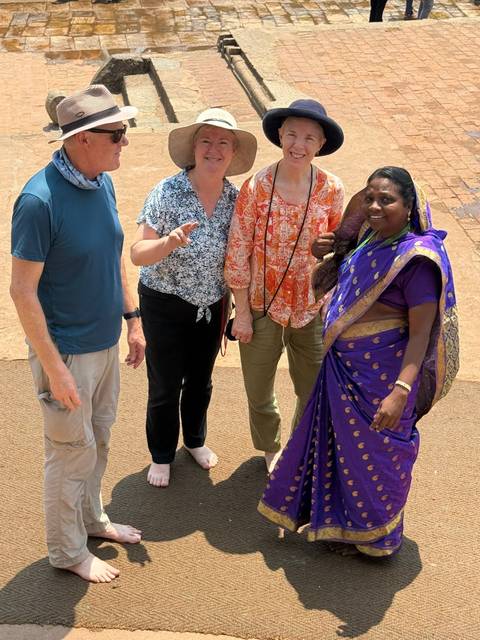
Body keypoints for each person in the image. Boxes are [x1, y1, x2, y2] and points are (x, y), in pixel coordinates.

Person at [258, 166, 459, 557]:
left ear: (409, 205)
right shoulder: (370, 238)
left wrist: (400, 391)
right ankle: (338, 526)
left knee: (376, 459)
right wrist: (327, 248)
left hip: (381, 380)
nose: (374, 206)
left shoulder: (416, 261)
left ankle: (377, 538)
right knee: (339, 450)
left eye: (387, 200)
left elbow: (421, 335)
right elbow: (343, 257)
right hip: (342, 369)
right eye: (370, 197)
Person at [10, 85, 146, 583]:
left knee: (99, 440)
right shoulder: (37, 202)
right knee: (69, 454)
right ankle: (66, 552)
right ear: (82, 139)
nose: (124, 143)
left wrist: (132, 320)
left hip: (106, 341)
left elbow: (113, 254)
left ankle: (92, 521)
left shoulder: (101, 181)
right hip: (65, 353)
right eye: (117, 134)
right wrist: (54, 368)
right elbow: (22, 293)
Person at [131, 108, 257, 488]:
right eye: (206, 140)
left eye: (223, 143)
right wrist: (168, 242)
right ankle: (161, 453)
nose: (213, 149)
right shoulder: (168, 192)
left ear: (233, 153)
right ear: (193, 147)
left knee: (200, 380)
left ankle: (195, 441)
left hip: (212, 305)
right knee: (166, 383)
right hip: (164, 301)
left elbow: (242, 258)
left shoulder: (237, 199)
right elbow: (138, 253)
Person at [224, 98, 345, 473]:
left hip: (311, 308)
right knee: (259, 391)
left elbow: (343, 253)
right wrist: (241, 313)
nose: (299, 144)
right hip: (261, 306)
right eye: (292, 133)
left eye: (310, 138)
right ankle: (269, 448)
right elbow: (238, 250)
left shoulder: (331, 189)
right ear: (280, 135)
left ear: (320, 145)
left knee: (310, 390)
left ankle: (298, 449)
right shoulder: (256, 187)